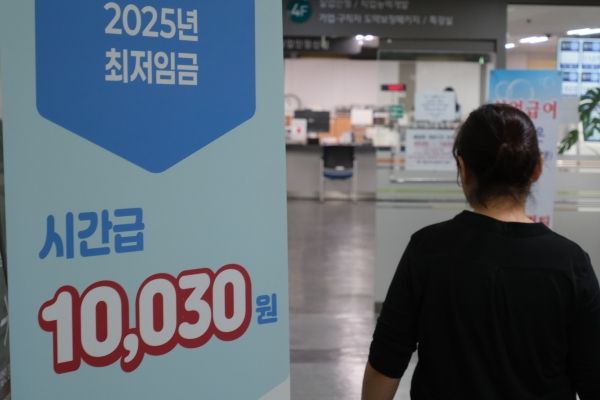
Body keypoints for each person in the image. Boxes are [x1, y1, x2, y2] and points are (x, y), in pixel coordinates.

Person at [362, 104, 600, 400]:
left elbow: (386, 361)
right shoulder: (570, 263)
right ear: (538, 168)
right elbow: (593, 378)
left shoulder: (427, 249)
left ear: (463, 169)